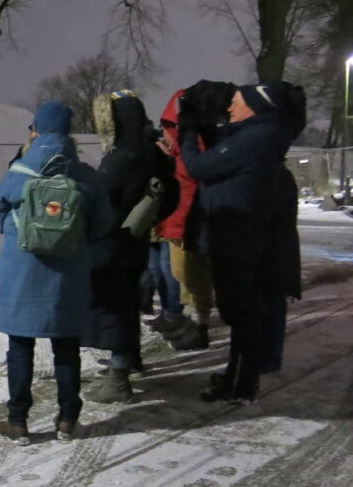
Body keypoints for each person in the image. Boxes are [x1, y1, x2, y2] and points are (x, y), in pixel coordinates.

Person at [0, 101, 114, 444]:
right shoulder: (85, 174)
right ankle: (68, 419)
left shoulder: (20, 170)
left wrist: (18, 234)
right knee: (66, 346)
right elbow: (103, 223)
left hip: (22, 273)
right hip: (67, 276)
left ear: (37, 130)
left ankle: (18, 421)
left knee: (20, 346)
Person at [180, 82, 289, 403]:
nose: (230, 107)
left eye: (237, 102)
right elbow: (219, 152)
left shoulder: (257, 137)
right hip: (234, 236)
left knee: (241, 313)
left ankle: (243, 383)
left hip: (239, 239)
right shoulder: (253, 135)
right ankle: (237, 377)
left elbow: (199, 166)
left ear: (255, 107)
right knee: (239, 312)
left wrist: (188, 134)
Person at [84, 90, 160, 403]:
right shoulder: (148, 152)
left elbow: (98, 201)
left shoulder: (120, 160)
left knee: (115, 308)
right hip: (135, 242)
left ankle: (118, 378)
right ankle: (130, 360)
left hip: (114, 246)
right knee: (128, 304)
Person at [155, 90, 215, 350]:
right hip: (177, 221)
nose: (164, 133)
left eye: (168, 127)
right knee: (181, 274)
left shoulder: (194, 149)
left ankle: (199, 325)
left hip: (188, 222)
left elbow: (190, 179)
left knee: (192, 276)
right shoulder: (180, 151)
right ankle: (190, 322)